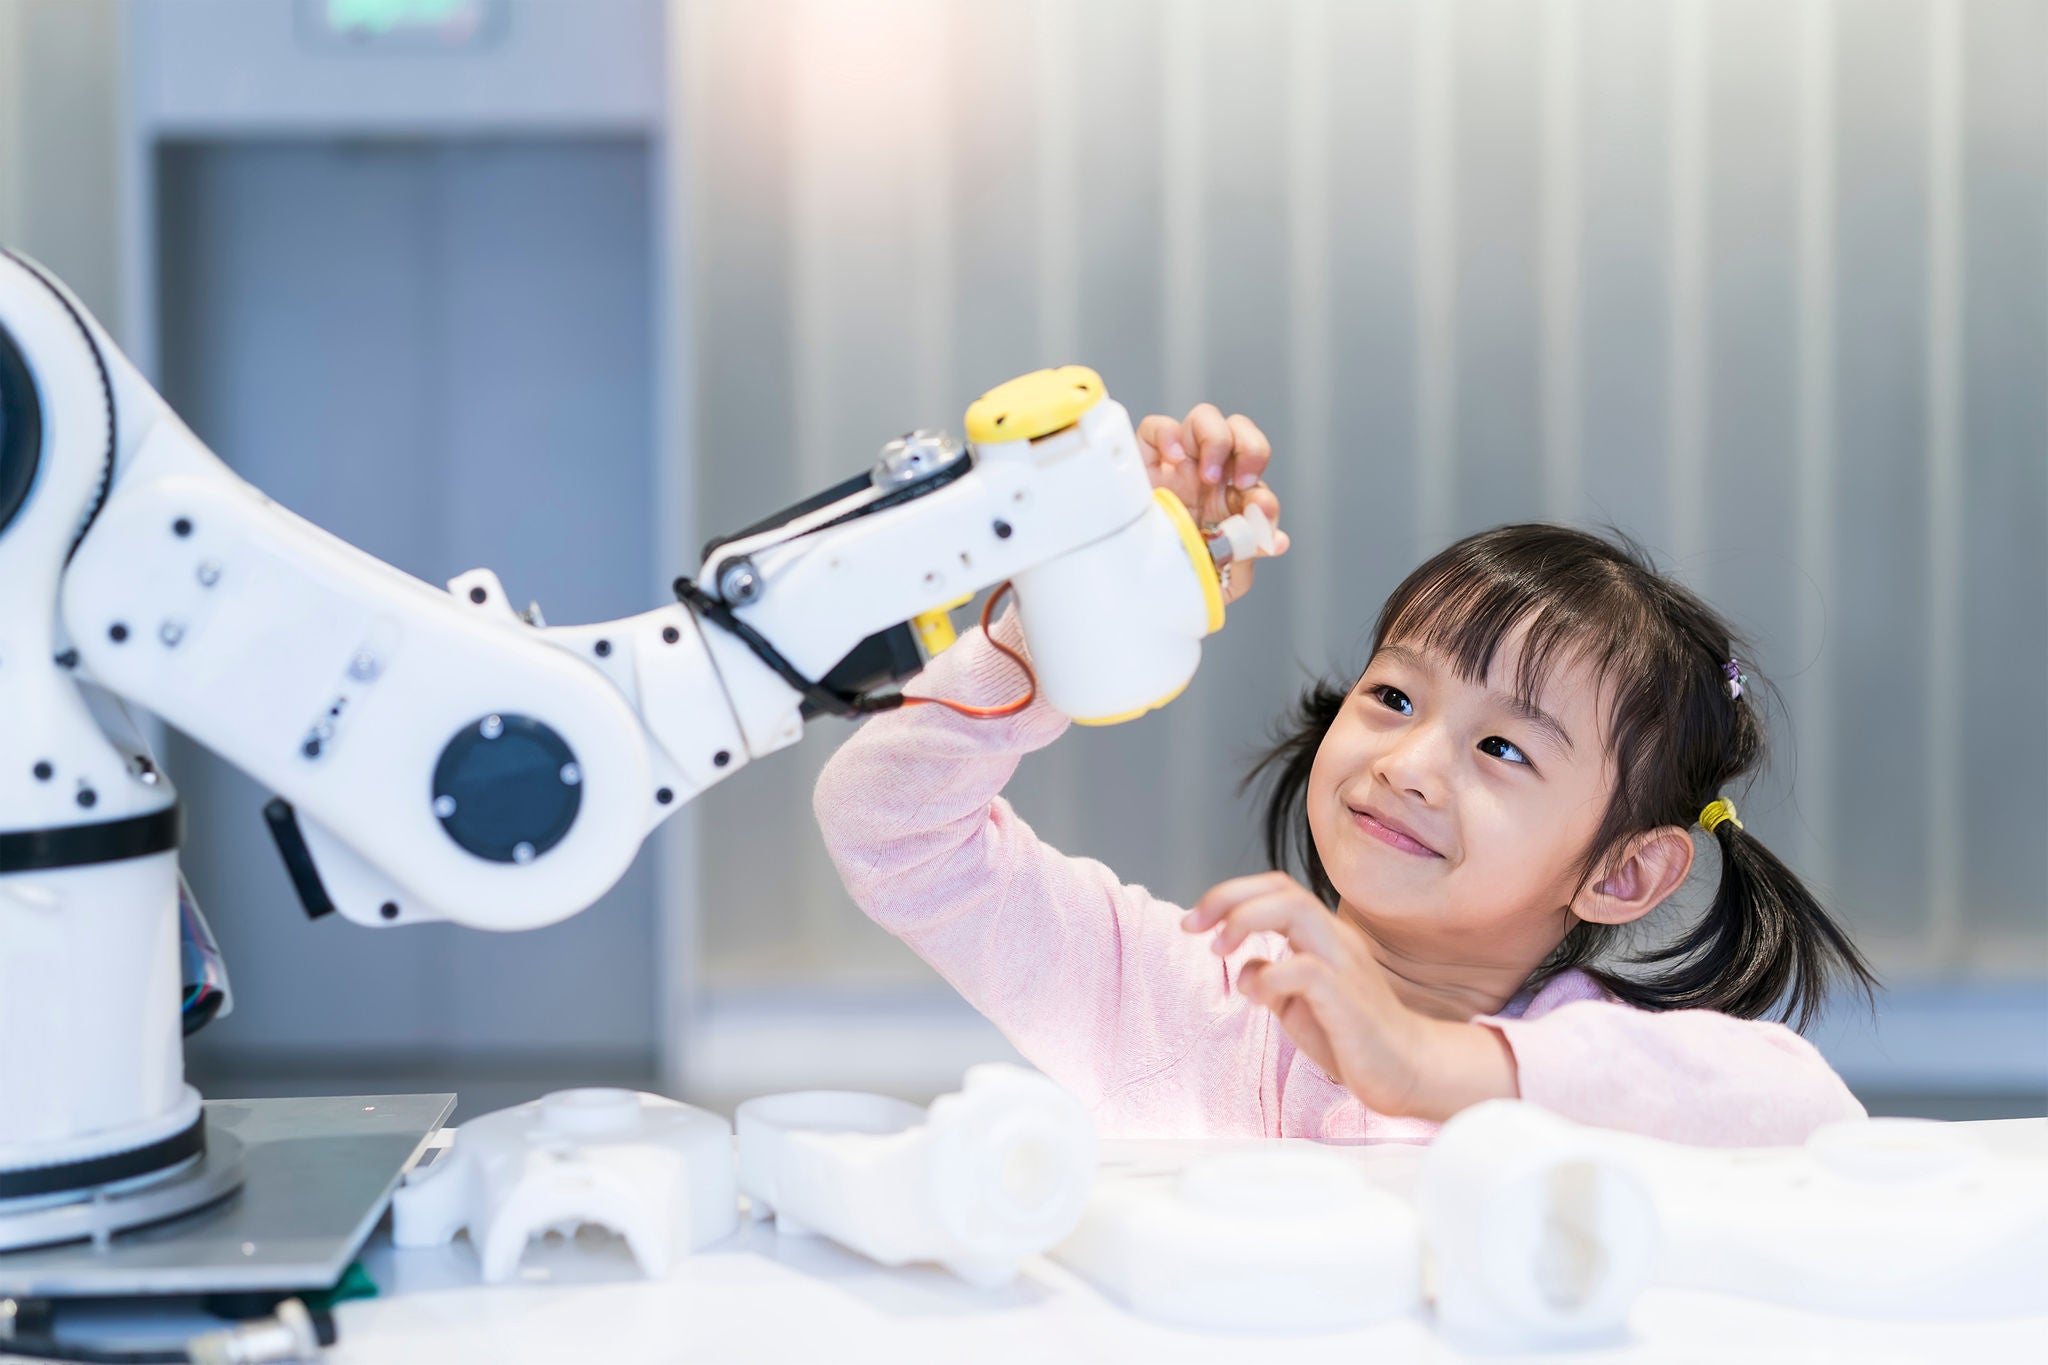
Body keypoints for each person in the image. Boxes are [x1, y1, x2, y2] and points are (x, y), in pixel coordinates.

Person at [813, 405, 1876, 1145]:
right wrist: (1079, 616)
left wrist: (1422, 1067)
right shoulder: (1176, 991)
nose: (1407, 765)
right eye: (1393, 699)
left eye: (1502, 748)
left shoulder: (1600, 1078)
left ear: (1624, 874)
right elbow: (889, 827)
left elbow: (1804, 1115)